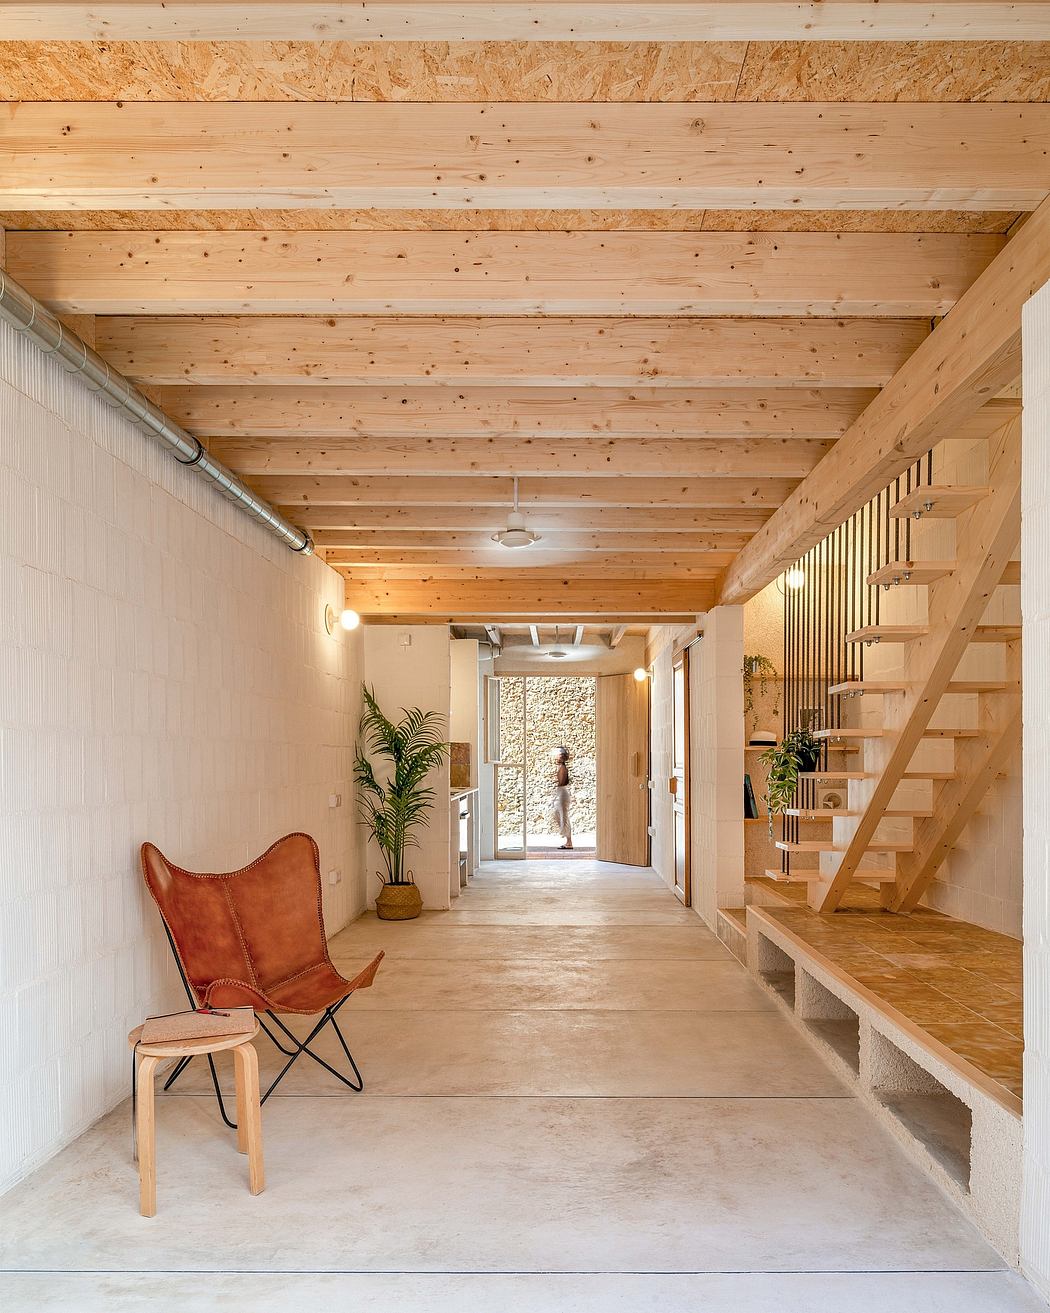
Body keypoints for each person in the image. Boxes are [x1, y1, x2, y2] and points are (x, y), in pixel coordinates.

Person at [550, 745, 573, 850]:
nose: (556, 757)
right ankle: (567, 839)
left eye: (558, 755)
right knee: (558, 815)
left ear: (562, 757)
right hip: (561, 792)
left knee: (563, 817)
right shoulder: (561, 768)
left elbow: (562, 782)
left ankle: (569, 842)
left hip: (562, 793)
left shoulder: (563, 768)